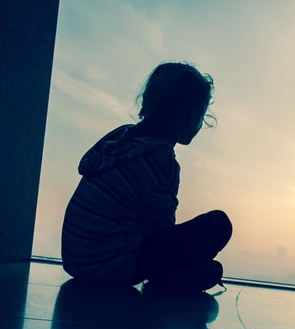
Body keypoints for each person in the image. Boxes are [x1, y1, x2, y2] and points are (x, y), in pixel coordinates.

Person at [61, 62, 232, 291]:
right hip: (112, 266)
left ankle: (182, 275)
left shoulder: (120, 139)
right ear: (186, 115)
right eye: (200, 114)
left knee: (203, 267)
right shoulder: (159, 158)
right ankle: (172, 279)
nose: (201, 123)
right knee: (218, 225)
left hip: (76, 260)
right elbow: (161, 230)